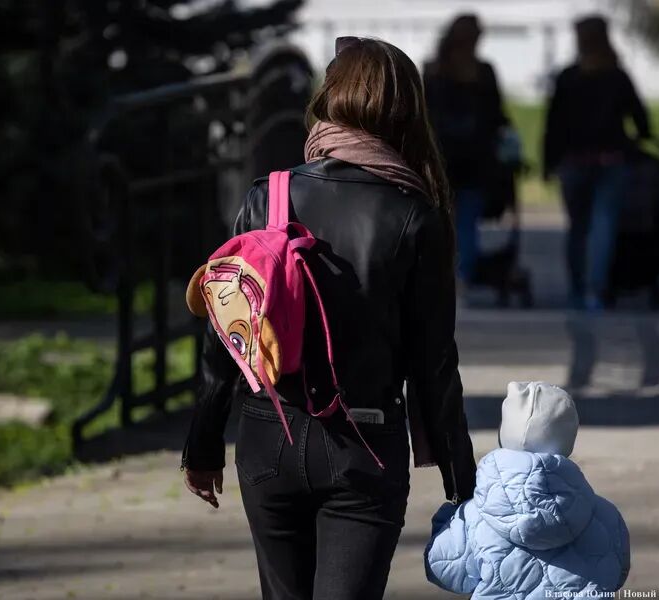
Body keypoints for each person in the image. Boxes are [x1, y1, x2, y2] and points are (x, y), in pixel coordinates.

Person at [181, 37, 476, 600]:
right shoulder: (415, 214)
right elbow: (434, 361)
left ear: (329, 101)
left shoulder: (268, 197)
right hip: (364, 444)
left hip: (268, 437)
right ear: (404, 111)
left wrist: (203, 445)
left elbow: (227, 334)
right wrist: (461, 479)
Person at [425, 381, 630, 598]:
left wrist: (446, 520)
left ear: (504, 434)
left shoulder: (472, 516)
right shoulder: (606, 515)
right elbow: (617, 574)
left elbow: (442, 569)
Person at [544, 15, 652, 311]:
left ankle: (576, 288)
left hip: (573, 160)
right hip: (611, 159)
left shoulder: (568, 77)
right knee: (604, 224)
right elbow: (641, 118)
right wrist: (639, 138)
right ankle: (596, 288)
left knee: (577, 226)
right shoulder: (617, 77)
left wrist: (548, 162)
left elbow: (554, 124)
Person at [424, 14, 512, 285]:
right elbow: (496, 116)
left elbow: (425, 114)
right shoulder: (483, 72)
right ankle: (462, 276)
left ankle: (440, 275)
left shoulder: (434, 70)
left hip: (441, 154)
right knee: (468, 221)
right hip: (476, 157)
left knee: (441, 219)